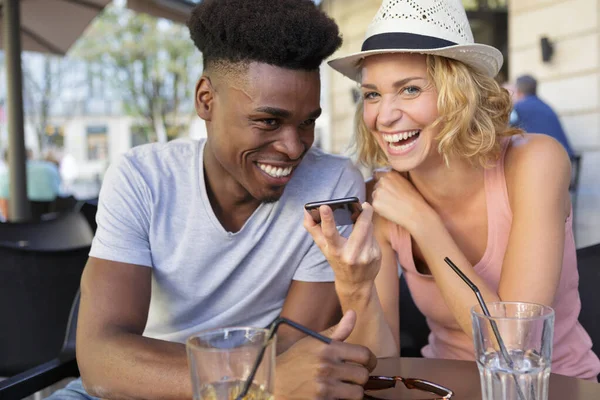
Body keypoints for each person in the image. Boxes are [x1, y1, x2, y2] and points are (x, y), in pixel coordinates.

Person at [47, 1, 376, 399]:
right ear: (206, 99)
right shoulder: (143, 178)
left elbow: (294, 349)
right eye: (268, 121)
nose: (293, 147)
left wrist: (266, 380)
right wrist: (260, 378)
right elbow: (102, 359)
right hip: (144, 388)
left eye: (307, 122)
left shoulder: (331, 184)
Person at [306, 0, 600, 381]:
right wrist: (353, 284)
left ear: (459, 94)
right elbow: (378, 367)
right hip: (439, 388)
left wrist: (423, 223)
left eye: (410, 89)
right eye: (373, 94)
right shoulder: (383, 196)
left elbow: (511, 349)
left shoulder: (535, 162)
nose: (384, 115)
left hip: (550, 389)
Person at [511, 74, 575, 157]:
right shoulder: (546, 106)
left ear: (518, 91)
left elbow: (502, 130)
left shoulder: (518, 108)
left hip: (546, 159)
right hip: (566, 156)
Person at [0, 149, 62, 220]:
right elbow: (59, 192)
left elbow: (5, 208)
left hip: (22, 224)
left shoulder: (6, 176)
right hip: (54, 220)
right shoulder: (50, 168)